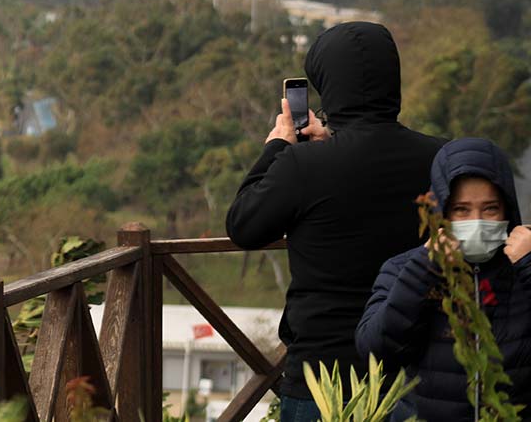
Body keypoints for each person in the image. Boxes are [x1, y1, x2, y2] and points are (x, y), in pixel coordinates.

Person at [226, 21, 444, 422]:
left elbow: (243, 225)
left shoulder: (303, 165)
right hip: (417, 375)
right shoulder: (442, 159)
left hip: (323, 381)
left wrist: (277, 147)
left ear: (330, 86)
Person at [356, 138, 531, 421]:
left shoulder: (522, 266)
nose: (476, 221)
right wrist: (422, 272)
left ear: (507, 209)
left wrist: (528, 267)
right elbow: (375, 351)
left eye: (490, 208)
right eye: (461, 209)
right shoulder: (404, 268)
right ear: (442, 211)